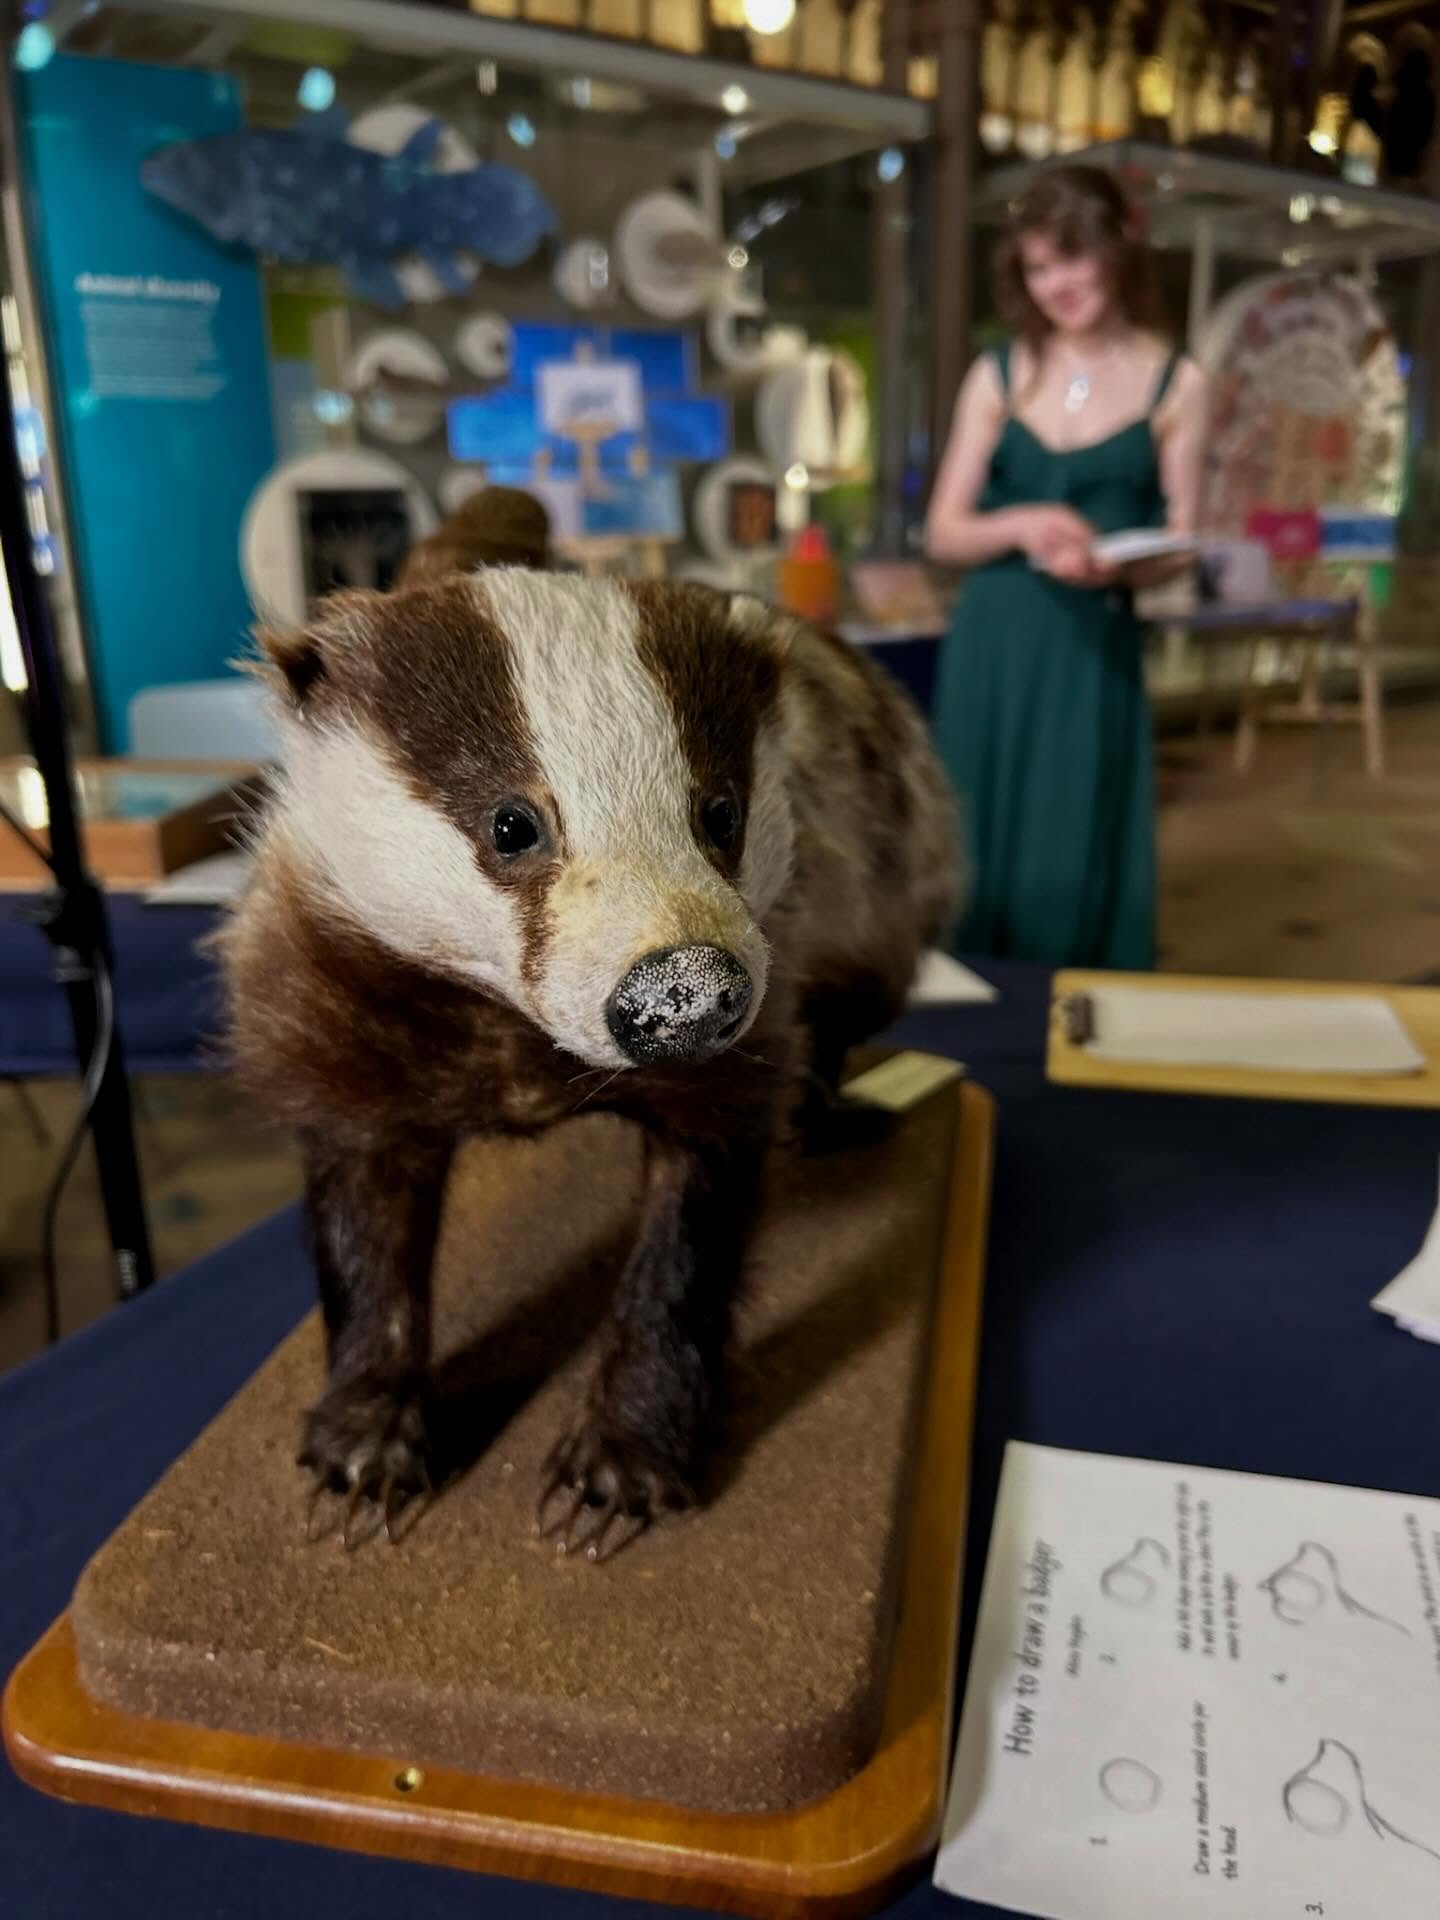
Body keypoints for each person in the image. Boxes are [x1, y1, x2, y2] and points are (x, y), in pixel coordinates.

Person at [925, 164, 1207, 970]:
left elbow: (1183, 542)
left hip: (1091, 645)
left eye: (1072, 258)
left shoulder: (1178, 383)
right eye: (1038, 267)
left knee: (1072, 835)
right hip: (993, 642)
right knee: (972, 842)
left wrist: (1119, 569)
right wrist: (1024, 523)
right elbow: (943, 533)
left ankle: (1067, 1014)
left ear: (1119, 246)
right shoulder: (999, 374)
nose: (1057, 285)